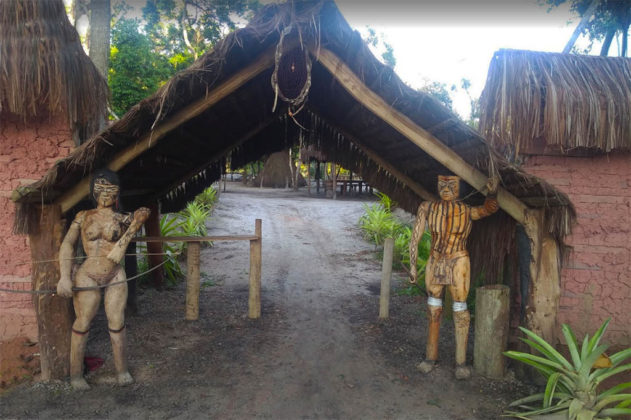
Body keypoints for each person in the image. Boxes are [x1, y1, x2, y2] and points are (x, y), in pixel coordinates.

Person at [56, 169, 150, 390]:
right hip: (87, 273)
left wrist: (138, 220)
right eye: (100, 188)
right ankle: (76, 375)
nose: (105, 194)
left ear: (117, 193)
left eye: (111, 189)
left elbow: (135, 230)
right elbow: (68, 244)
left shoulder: (125, 218)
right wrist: (64, 276)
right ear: (92, 191)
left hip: (114, 272)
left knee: (117, 322)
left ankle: (122, 370)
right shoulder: (82, 216)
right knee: (82, 322)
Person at [409, 175, 498, 379]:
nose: (446, 189)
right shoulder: (427, 208)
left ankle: (460, 363)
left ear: (459, 188)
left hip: (458, 260)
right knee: (433, 307)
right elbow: (416, 236)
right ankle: (430, 357)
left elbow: (488, 209)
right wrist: (413, 266)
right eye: (442, 184)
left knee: (460, 309)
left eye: (451, 185)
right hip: (436, 259)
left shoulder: (466, 210)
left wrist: (492, 193)